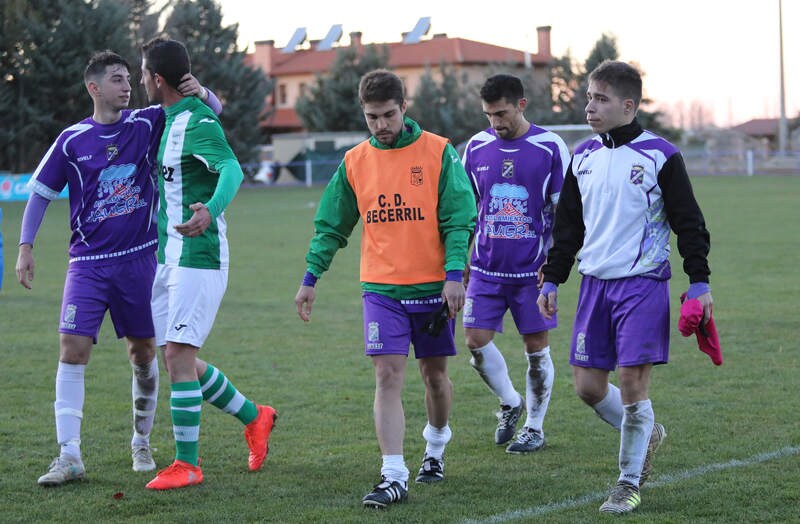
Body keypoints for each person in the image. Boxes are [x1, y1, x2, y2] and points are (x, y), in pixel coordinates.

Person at [15, 50, 222, 486]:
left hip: (141, 260)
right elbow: (40, 194)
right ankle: (69, 455)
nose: (127, 85)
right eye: (115, 79)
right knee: (72, 348)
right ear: (94, 88)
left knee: (145, 354)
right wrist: (25, 246)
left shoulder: (146, 123)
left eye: (129, 77)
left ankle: (141, 441)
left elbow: (212, 112)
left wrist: (200, 90)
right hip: (87, 264)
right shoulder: (72, 139)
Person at [294, 69, 476, 508]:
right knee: (387, 375)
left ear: (404, 107)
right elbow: (330, 226)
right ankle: (393, 473)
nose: (381, 125)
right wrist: (310, 278)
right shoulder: (355, 162)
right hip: (381, 289)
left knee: (434, 377)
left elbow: (458, 218)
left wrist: (454, 275)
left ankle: (434, 447)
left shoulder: (438, 152)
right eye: (372, 117)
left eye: (389, 115)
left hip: (433, 288)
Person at [537, 60, 712, 514]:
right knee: (588, 388)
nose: (589, 106)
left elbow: (689, 223)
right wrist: (554, 277)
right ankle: (646, 432)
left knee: (633, 381)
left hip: (643, 284)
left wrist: (699, 282)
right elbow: (568, 227)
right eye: (589, 97)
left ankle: (628, 481)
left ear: (628, 106)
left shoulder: (661, 156)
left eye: (600, 98)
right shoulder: (583, 156)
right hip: (594, 285)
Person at [139, 37, 276, 491]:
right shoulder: (171, 117)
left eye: (143, 73)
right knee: (179, 358)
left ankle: (188, 465)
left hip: (200, 253)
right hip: (169, 256)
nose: (140, 80)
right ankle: (255, 417)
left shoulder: (196, 120)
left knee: (178, 355)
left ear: (157, 79)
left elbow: (232, 169)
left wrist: (209, 210)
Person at [461, 74, 569, 453]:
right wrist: (461, 258)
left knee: (536, 349)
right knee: (474, 342)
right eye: (489, 115)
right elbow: (466, 211)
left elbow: (565, 214)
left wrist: (553, 265)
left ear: (521, 105)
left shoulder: (550, 147)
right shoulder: (475, 147)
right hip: (485, 270)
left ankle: (535, 428)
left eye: (502, 113)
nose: (496, 122)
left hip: (532, 273)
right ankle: (510, 402)